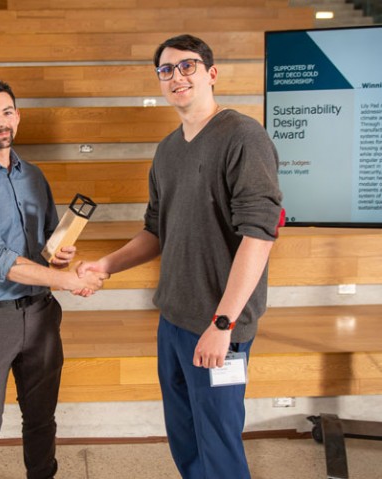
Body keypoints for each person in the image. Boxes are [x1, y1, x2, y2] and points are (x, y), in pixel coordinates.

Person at [77, 35, 284, 479]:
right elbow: (156, 230)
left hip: (218, 327)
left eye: (187, 66)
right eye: (166, 70)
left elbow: (260, 236)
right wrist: (106, 265)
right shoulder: (167, 150)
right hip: (173, 321)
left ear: (211, 74)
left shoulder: (243, 137)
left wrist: (222, 325)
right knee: (186, 439)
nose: (177, 76)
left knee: (219, 442)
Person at [0, 78, 108, 479]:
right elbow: (1, 261)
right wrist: (69, 281)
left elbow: (47, 247)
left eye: (6, 112)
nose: (1, 122)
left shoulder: (32, 175)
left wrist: (60, 256)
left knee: (41, 417)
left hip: (39, 314)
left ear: (16, 116)